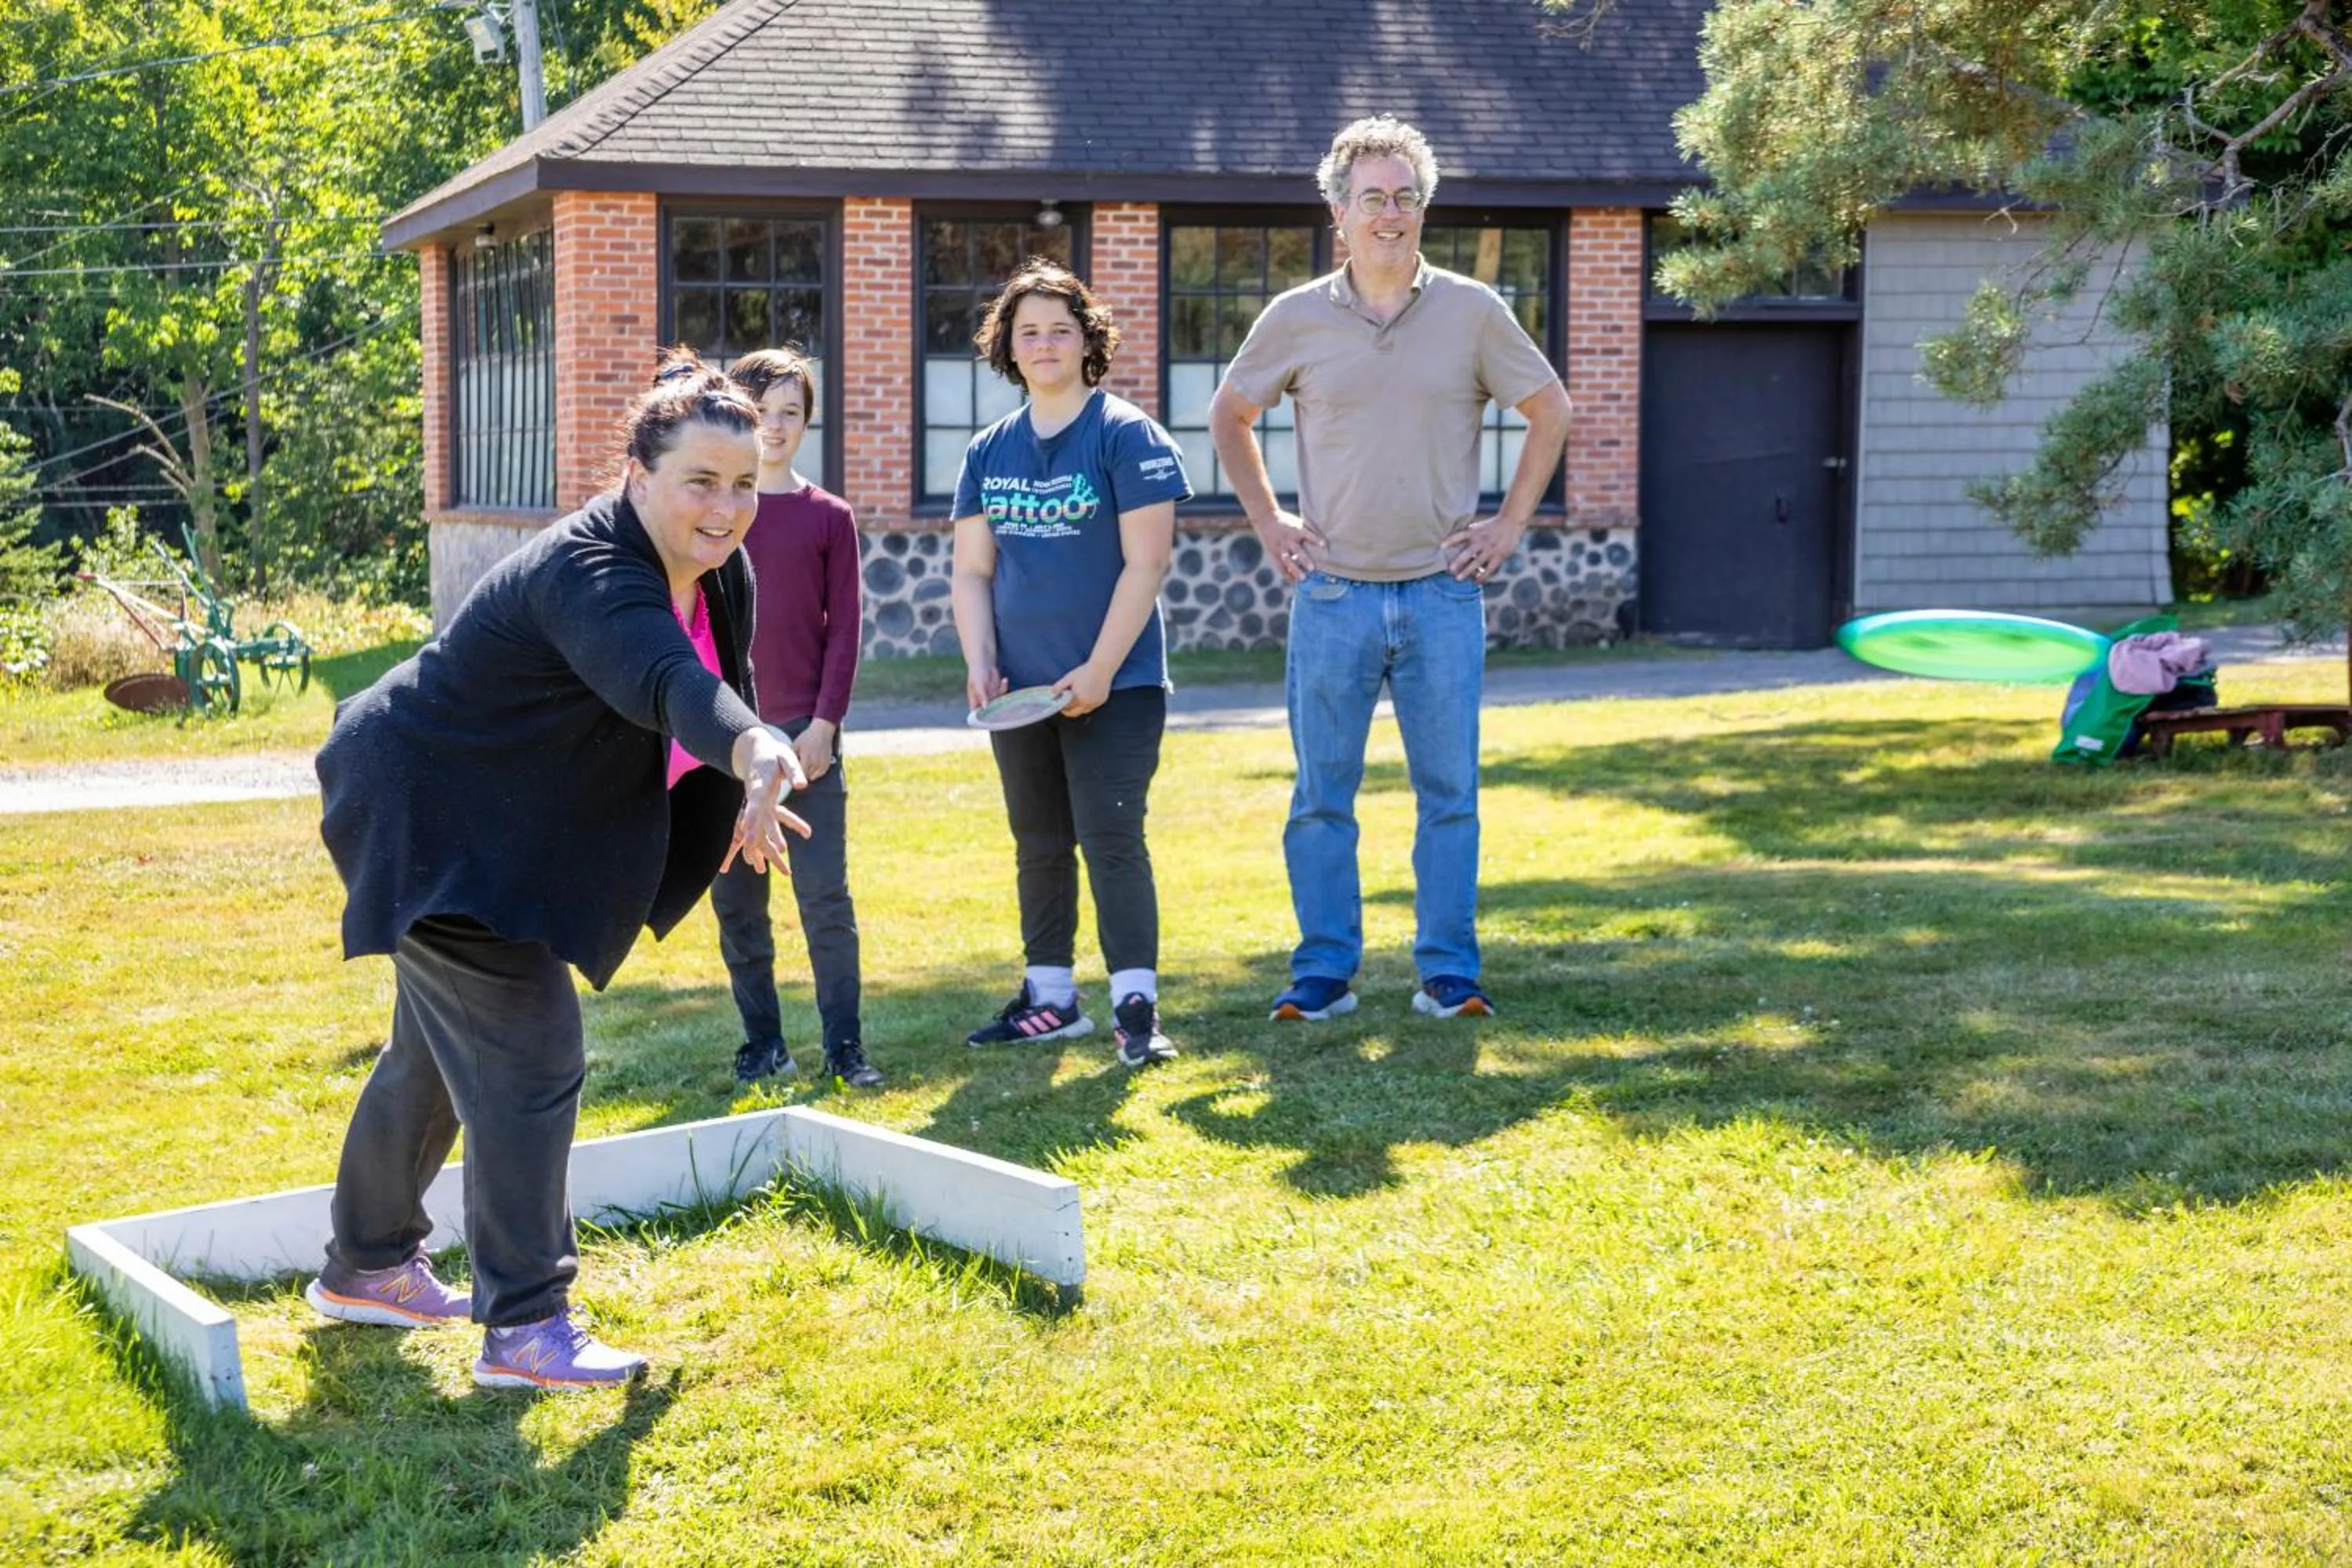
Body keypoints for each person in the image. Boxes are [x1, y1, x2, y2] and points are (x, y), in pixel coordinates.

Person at [304, 349, 811, 1391]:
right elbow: (667, 681)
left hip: (494, 816)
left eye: (744, 485)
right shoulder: (595, 570)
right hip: (426, 809)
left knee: (440, 1054)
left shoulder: (719, 566)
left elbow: (717, 680)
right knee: (531, 1055)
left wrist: (737, 790)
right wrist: (760, 748)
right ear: (637, 477)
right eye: (700, 484)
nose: (725, 509)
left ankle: (368, 1264)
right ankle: (527, 1328)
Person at [1207, 115, 1573, 1024]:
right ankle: (1323, 972)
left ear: (1423, 210)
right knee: (1320, 797)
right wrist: (1268, 518)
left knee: (1449, 796)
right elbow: (1229, 414)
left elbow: (1551, 407)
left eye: (1407, 197)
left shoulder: (1473, 311)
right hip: (1331, 593)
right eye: (1372, 198)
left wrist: (1509, 525)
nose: (1391, 214)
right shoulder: (1295, 317)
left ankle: (1449, 971)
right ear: (1338, 212)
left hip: (1444, 592)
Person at [949, 260, 1192, 1068]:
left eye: (1060, 328)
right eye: (1029, 332)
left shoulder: (1127, 434)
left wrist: (1095, 670)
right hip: (1020, 693)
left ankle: (1136, 1009)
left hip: (1115, 686)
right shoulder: (988, 450)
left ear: (1089, 341)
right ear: (1008, 350)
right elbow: (973, 571)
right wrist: (982, 664)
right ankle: (1051, 998)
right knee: (1038, 841)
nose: (1045, 343)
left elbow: (1145, 565)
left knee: (1112, 837)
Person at [708, 347, 883, 1090]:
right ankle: (763, 1042)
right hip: (723, 746)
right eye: (762, 410)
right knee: (738, 905)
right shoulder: (713, 518)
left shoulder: (828, 518)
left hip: (807, 743)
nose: (775, 427)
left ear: (808, 424)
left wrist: (824, 726)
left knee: (825, 902)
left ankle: (845, 1047)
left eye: (791, 413)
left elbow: (844, 629)